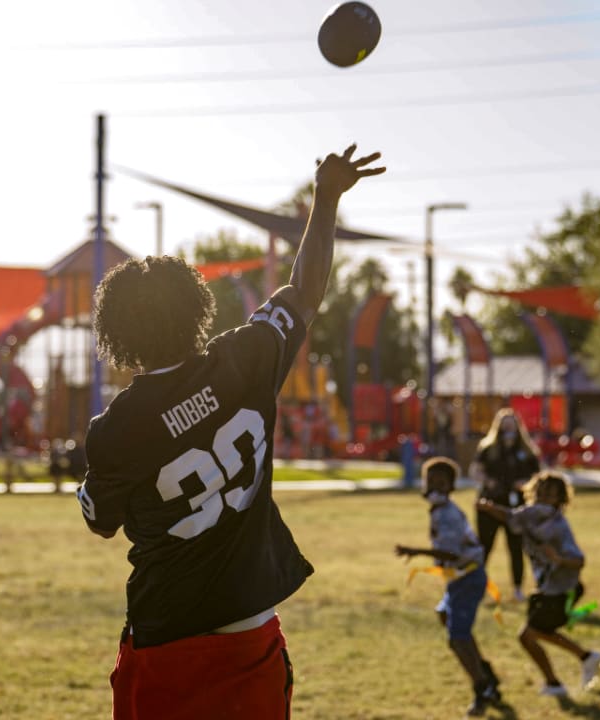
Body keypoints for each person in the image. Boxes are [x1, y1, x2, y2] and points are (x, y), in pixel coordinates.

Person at [78, 144, 383, 719]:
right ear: (197, 310)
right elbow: (305, 292)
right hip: (249, 632)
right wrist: (326, 198)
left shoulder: (119, 425)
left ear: (116, 333)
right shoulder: (246, 359)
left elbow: (100, 521)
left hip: (166, 637)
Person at [477, 471, 600, 696]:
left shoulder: (557, 526)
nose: (542, 499)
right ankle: (581, 661)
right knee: (536, 634)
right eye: (540, 493)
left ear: (560, 500)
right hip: (547, 589)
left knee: (528, 635)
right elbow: (510, 517)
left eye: (549, 496)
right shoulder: (529, 514)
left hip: (561, 590)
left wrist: (558, 559)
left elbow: (579, 560)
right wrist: (490, 508)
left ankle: (558, 680)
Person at [394, 457, 501, 717]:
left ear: (451, 486)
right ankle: (486, 673)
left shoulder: (447, 513)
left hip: (468, 578)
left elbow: (451, 553)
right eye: (430, 481)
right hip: (458, 579)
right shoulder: (439, 510)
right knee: (444, 615)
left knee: (457, 639)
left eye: (441, 483)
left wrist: (415, 550)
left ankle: (482, 688)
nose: (434, 487)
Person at [471, 408, 540, 602]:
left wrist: (525, 484)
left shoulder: (526, 451)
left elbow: (537, 476)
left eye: (511, 424)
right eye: (504, 424)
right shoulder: (488, 448)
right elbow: (475, 470)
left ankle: (517, 589)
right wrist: (488, 481)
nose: (508, 429)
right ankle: (478, 587)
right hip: (489, 503)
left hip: (516, 506)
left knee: (516, 547)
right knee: (484, 547)